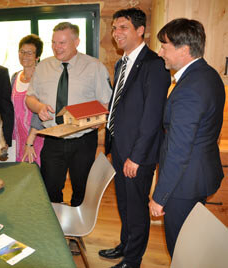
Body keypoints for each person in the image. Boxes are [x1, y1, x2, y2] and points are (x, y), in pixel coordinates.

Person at [98, 8, 171, 268]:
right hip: (119, 147)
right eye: (114, 28)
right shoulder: (122, 63)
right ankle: (125, 245)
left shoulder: (154, 65)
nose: (116, 33)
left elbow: (152, 118)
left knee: (137, 208)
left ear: (140, 30)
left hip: (138, 154)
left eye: (123, 27)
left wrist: (136, 158)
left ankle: (133, 260)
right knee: (125, 204)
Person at [149, 18, 225, 258]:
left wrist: (160, 197)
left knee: (181, 249)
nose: (160, 52)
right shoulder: (208, 74)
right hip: (198, 175)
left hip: (184, 182)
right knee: (192, 243)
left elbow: (178, 149)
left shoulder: (191, 87)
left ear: (183, 49)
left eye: (165, 46)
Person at [25, 22, 112, 207]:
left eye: (62, 43)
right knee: (50, 190)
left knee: (81, 189)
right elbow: (29, 97)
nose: (57, 47)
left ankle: (75, 230)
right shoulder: (43, 67)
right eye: (54, 42)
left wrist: (98, 120)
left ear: (77, 41)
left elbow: (106, 103)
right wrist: (38, 106)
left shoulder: (94, 67)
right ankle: (55, 231)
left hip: (83, 140)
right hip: (53, 140)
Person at [11, 34, 44, 165]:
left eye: (29, 53)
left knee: (36, 174)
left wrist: (30, 141)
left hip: (35, 137)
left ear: (37, 56)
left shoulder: (42, 78)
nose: (25, 56)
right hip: (17, 136)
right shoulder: (15, 77)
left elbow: (42, 112)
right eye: (22, 52)